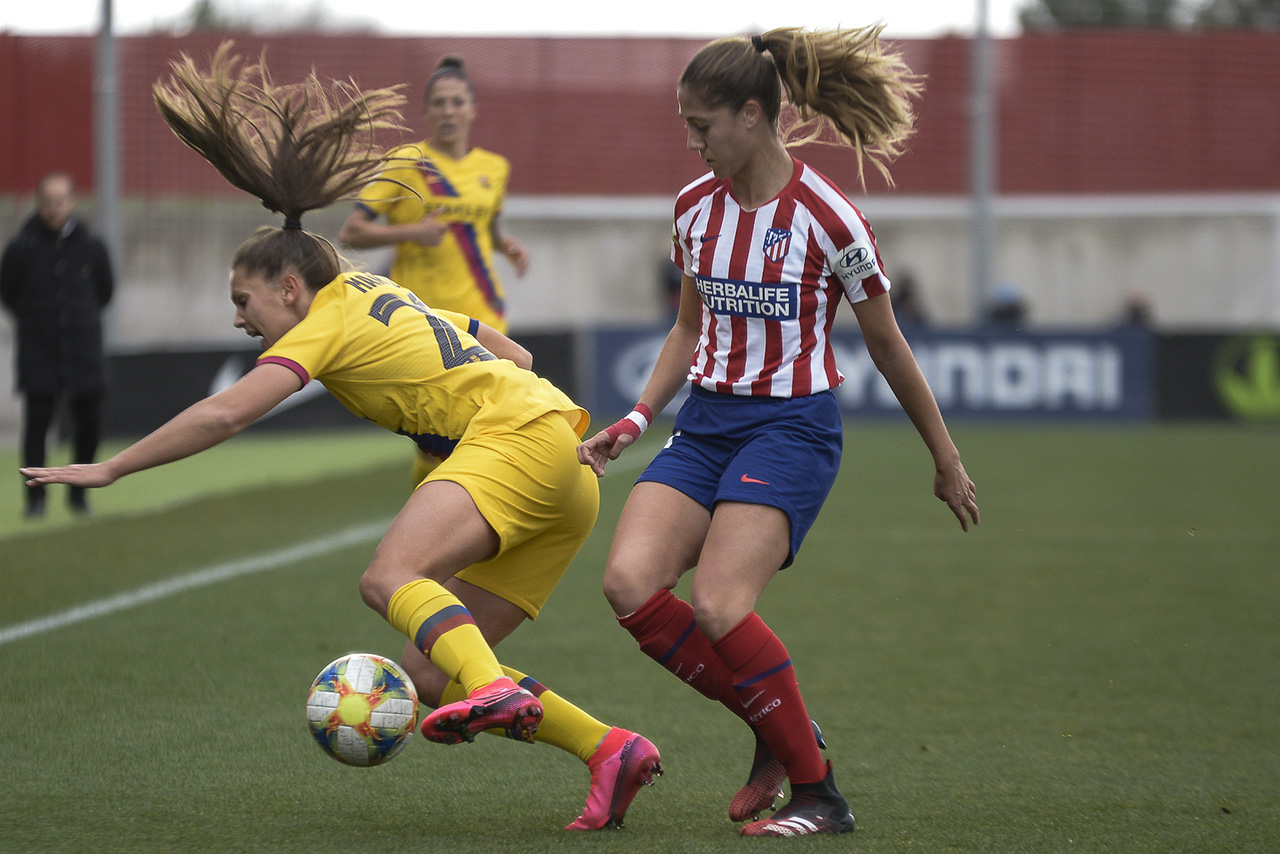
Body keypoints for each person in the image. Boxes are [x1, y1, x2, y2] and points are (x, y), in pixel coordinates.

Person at [21, 46, 660, 832]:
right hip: (565, 463)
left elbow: (225, 413)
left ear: (289, 287)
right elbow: (515, 354)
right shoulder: (372, 286)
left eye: (242, 299)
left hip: (519, 437)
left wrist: (114, 467)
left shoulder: (321, 321)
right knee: (431, 671)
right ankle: (610, 749)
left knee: (388, 577)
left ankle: (495, 693)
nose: (237, 318)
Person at [577, 26, 980, 838]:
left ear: (753, 115)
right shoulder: (694, 210)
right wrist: (635, 416)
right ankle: (775, 727)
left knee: (720, 605)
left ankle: (821, 793)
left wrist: (945, 457)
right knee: (628, 584)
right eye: (686, 125)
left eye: (702, 125)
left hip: (792, 430)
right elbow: (688, 330)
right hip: (706, 425)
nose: (692, 143)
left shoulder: (831, 218)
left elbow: (888, 344)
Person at [338, 56, 530, 487]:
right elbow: (352, 230)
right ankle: (432, 516)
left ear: (472, 109)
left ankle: (487, 517)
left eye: (457, 102)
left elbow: (485, 224)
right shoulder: (408, 161)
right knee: (437, 441)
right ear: (426, 112)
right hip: (427, 322)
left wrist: (507, 246)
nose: (448, 111)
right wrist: (413, 231)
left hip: (486, 315)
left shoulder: (493, 168)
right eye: (439, 103)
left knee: (494, 425)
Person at [1, 172, 114, 518]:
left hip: (83, 350)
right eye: (47, 202)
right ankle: (35, 500)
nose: (54, 208)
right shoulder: (22, 247)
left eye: (60, 200)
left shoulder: (92, 245)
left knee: (88, 423)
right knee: (37, 426)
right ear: (39, 204)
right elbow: (8, 292)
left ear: (73, 202)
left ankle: (79, 495)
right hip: (39, 350)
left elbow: (105, 291)